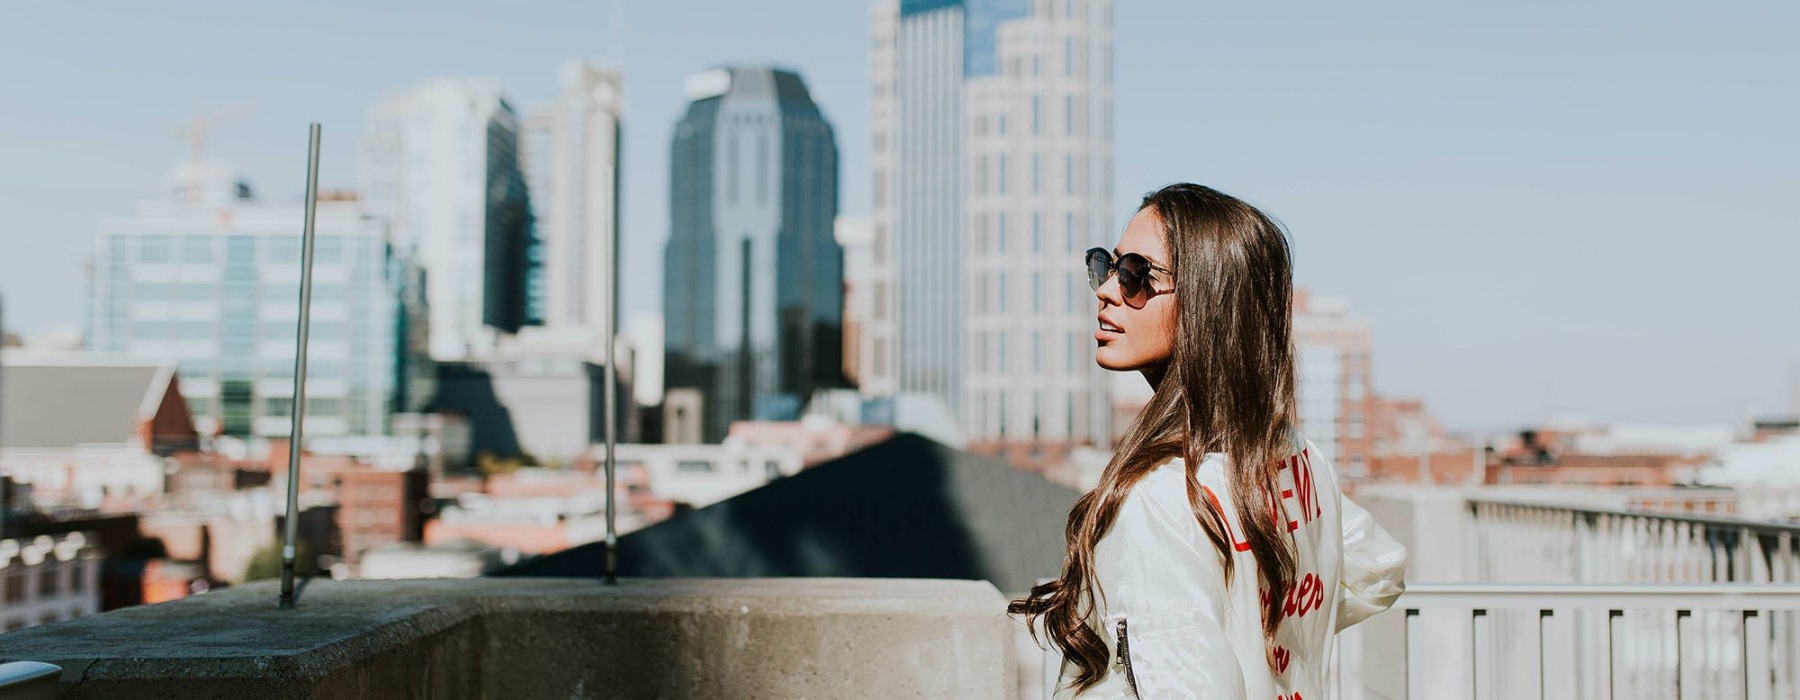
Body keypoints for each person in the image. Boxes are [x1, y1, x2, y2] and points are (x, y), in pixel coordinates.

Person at [1010, 183, 1408, 699]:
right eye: (1106, 266)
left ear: (1209, 302)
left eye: (1135, 274)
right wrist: (1260, 634)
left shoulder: (1159, 498)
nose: (1107, 289)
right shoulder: (1296, 455)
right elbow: (1378, 567)